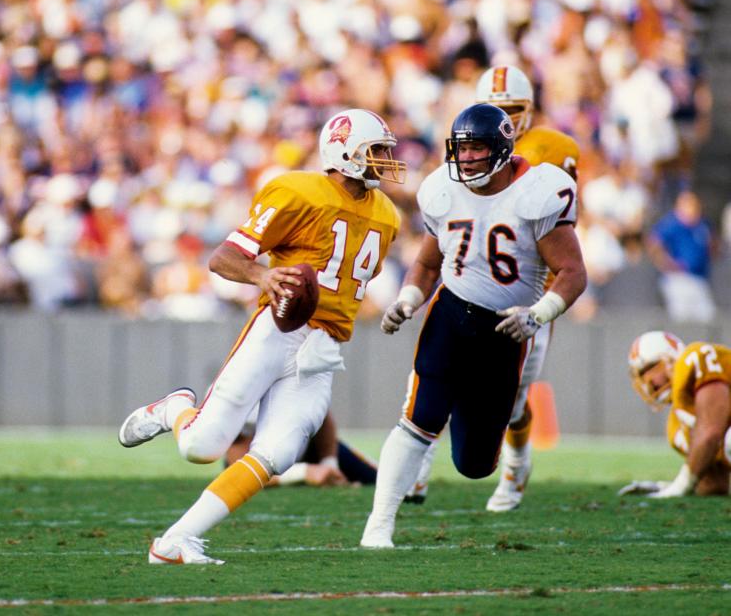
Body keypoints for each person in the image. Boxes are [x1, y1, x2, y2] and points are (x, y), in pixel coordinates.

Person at [118, 108, 406, 564]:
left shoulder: (387, 215)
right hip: (278, 328)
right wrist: (263, 278)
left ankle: (175, 541)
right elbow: (223, 258)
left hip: (326, 346)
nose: (385, 160)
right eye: (376, 151)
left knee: (279, 453)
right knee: (201, 446)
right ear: (343, 151)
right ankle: (174, 408)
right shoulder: (298, 191)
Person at [360, 103, 587, 548]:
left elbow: (573, 272)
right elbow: (427, 263)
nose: (465, 159)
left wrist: (539, 314)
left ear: (502, 149)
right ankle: (378, 526)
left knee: (475, 462)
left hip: (506, 330)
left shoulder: (537, 191)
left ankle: (495, 449)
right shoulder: (443, 190)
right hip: (451, 313)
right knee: (417, 420)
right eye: (460, 149)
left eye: (477, 148)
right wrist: (407, 299)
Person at [409, 65, 582, 512]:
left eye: (513, 109)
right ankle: (416, 466)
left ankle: (516, 463)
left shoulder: (552, 151)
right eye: (497, 107)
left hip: (527, 291)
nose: (505, 115)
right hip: (468, 283)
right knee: (432, 374)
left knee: (515, 398)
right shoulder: (467, 145)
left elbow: (558, 232)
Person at [619, 331, 730, 498]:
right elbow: (715, 483)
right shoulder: (676, 425)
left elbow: (711, 432)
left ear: (672, 359)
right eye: (643, 375)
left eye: (652, 368)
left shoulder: (696, 357)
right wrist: (667, 487)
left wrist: (682, 484)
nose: (649, 381)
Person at [225, 411, 378, 487]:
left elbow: (322, 414)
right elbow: (241, 468)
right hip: (260, 461)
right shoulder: (234, 389)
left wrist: (329, 463)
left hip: (310, 447)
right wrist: (304, 472)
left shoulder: (298, 369)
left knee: (379, 479)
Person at [646, 189, 717, 323]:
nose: (692, 208)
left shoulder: (703, 224)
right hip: (678, 278)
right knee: (682, 321)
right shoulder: (671, 224)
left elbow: (712, 245)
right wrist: (667, 263)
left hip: (700, 278)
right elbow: (654, 244)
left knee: (708, 320)